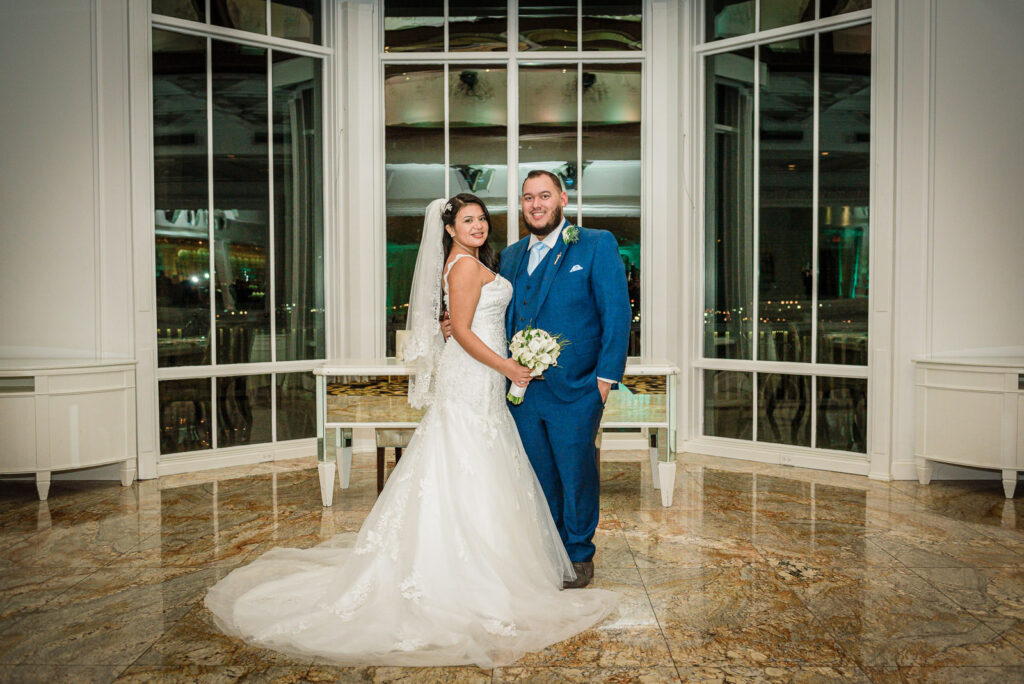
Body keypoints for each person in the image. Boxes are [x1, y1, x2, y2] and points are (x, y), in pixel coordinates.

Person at [204, 195, 618, 668]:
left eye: (482, 218)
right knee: (467, 465)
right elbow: (462, 331)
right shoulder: (463, 267)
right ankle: (466, 574)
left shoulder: (481, 261)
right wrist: (509, 366)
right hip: (475, 378)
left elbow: (472, 320)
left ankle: (491, 565)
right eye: (468, 220)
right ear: (449, 229)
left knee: (481, 470)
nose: (479, 225)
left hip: (484, 383)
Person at [500, 170, 631, 588]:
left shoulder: (596, 244)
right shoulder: (510, 256)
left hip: (577, 388)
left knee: (576, 473)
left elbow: (617, 313)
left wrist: (605, 379)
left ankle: (578, 554)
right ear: (521, 205)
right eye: (527, 198)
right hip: (523, 391)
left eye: (544, 196)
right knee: (538, 475)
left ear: (562, 199)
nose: (535, 205)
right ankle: (549, 551)